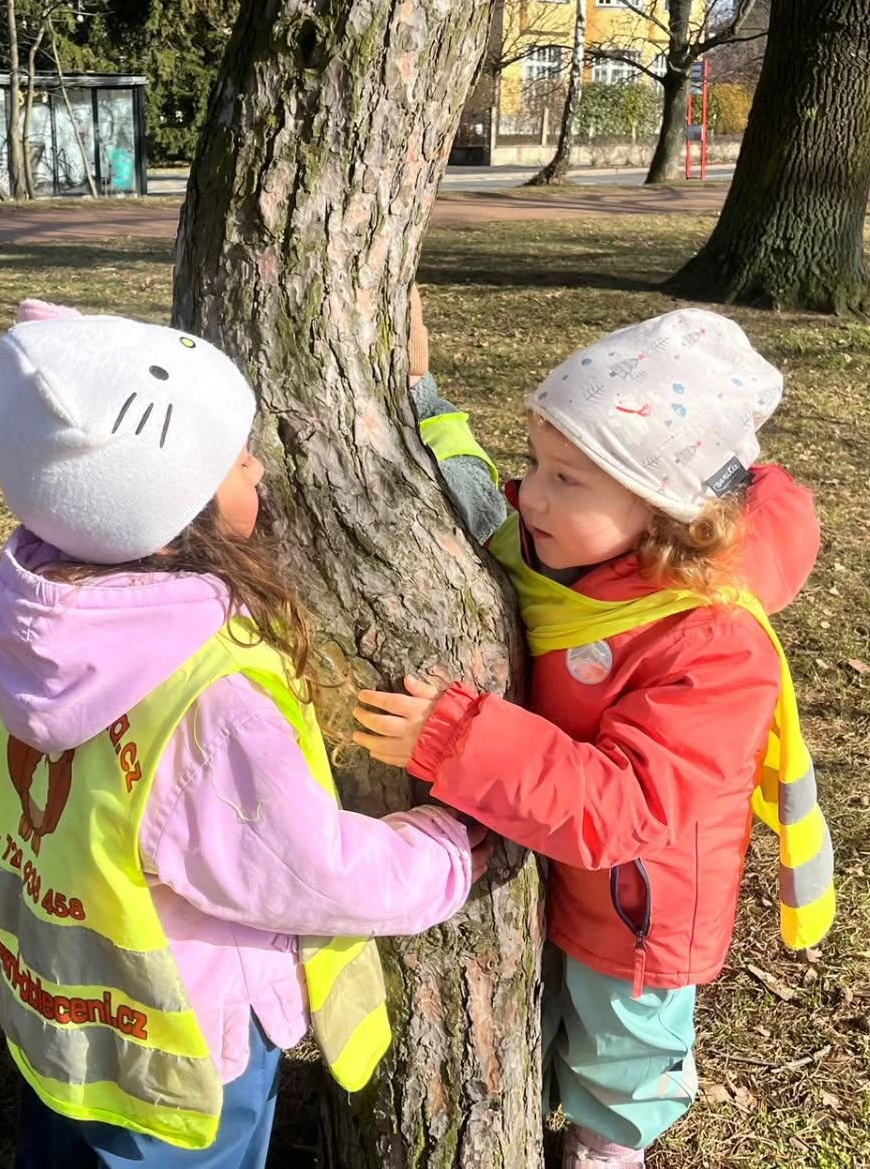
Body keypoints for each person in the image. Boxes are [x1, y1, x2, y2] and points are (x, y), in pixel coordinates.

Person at [0, 299, 486, 1169]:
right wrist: (450, 850)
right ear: (179, 515)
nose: (257, 464)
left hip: (58, 1013)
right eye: (233, 460)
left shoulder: (38, 620)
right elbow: (302, 869)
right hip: (180, 1057)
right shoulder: (212, 696)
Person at [355, 305, 834, 1168]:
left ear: (665, 513)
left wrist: (457, 742)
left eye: (567, 480)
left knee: (623, 1055)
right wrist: (422, 396)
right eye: (536, 462)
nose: (530, 492)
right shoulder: (559, 554)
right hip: (548, 862)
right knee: (546, 1018)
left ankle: (608, 1149)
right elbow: (471, 498)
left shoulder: (711, 643)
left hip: (638, 909)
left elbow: (631, 806)